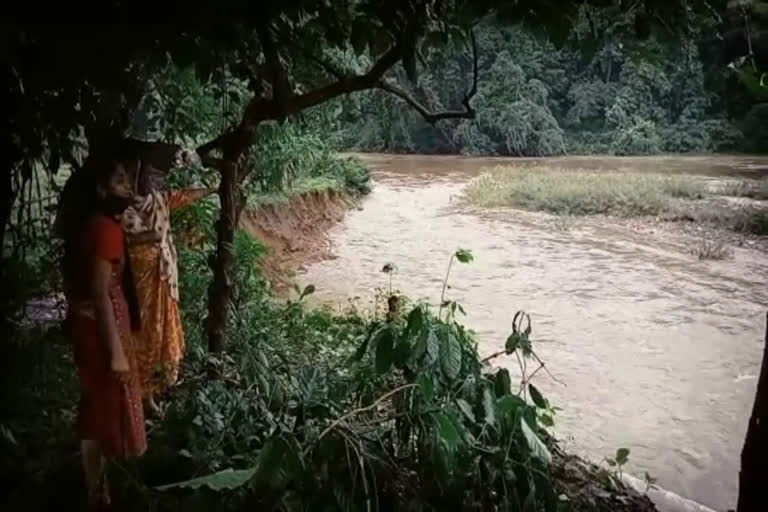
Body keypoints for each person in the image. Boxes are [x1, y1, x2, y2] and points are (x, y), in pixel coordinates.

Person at [59, 147, 146, 510]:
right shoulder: (105, 230)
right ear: (100, 189)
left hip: (93, 325)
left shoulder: (98, 225)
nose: (127, 186)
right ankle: (97, 492)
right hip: (99, 330)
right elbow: (99, 294)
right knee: (101, 411)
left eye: (127, 179)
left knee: (96, 406)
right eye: (119, 180)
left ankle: (98, 486)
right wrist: (116, 354)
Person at [122, 162, 214, 415]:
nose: (145, 183)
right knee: (140, 340)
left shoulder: (160, 201)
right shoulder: (120, 212)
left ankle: (148, 398)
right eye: (138, 178)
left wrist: (212, 184)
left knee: (158, 338)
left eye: (147, 178)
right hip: (137, 291)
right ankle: (136, 399)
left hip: (162, 283)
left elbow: (187, 194)